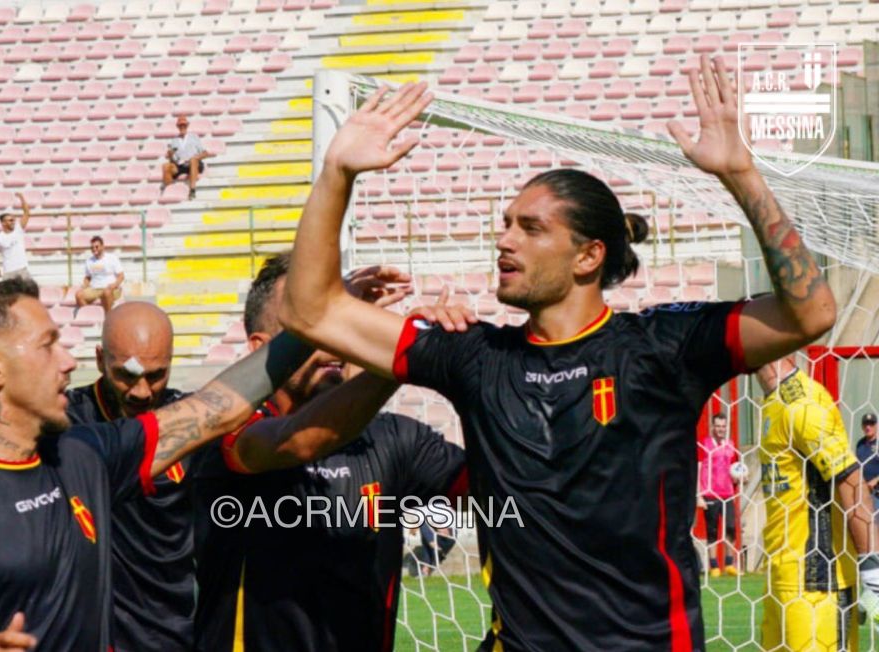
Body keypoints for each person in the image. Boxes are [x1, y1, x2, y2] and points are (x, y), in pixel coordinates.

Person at [278, 57, 847, 649]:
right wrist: (336, 173)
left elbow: (812, 313)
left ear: (588, 256)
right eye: (505, 224)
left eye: (530, 228)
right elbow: (309, 311)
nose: (504, 239)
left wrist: (741, 175)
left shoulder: (661, 348)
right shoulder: (475, 357)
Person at [0, 277, 314, 650]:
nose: (69, 361)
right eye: (48, 345)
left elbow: (218, 407)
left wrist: (320, 320)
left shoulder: (86, 453)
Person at [192, 252, 470, 652]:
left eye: (332, 322)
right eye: (310, 324)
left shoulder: (396, 438)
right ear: (261, 348)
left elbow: (498, 491)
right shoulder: (226, 433)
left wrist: (470, 371)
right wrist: (402, 353)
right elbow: (299, 440)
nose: (331, 338)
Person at [756, 355, 878, 652]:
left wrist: (872, 573)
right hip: (781, 579)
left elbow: (850, 479)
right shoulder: (773, 402)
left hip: (817, 586)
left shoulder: (805, 404)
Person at [697, 412, 740, 577]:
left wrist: (742, 477)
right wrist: (698, 495)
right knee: (712, 531)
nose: (721, 429)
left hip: (728, 493)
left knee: (730, 528)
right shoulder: (704, 444)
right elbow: (699, 468)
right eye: (718, 426)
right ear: (712, 427)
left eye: (723, 426)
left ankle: (729, 564)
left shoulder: (730, 445)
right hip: (709, 494)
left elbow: (735, 469)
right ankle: (714, 566)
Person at [162, 115, 214, 200]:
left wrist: (195, 158)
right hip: (181, 164)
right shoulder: (174, 140)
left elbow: (205, 153)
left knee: (193, 160)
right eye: (180, 125)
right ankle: (169, 190)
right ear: (177, 126)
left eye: (184, 125)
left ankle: (192, 189)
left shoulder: (194, 137)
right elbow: (174, 160)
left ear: (187, 125)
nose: (182, 127)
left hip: (194, 163)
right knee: (166, 166)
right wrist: (171, 156)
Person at [76, 235, 124, 313]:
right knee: (79, 295)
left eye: (97, 247)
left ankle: (108, 316)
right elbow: (88, 277)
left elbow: (121, 276)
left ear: (102, 246)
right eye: (92, 248)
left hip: (110, 288)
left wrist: (114, 285)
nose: (94, 249)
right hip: (95, 288)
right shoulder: (89, 261)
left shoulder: (112, 258)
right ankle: (90, 315)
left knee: (106, 292)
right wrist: (84, 285)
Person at [0, 193, 31, 281]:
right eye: (10, 220)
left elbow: (27, 213)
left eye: (14, 220)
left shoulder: (18, 229)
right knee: (8, 294)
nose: (13, 222)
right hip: (8, 271)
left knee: (28, 292)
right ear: (3, 223)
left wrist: (22, 198)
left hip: (22, 269)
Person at [855, 412, 879, 519]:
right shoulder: (860, 444)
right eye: (865, 424)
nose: (868, 427)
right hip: (864, 492)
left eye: (871, 424)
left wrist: (875, 480)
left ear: (876, 425)